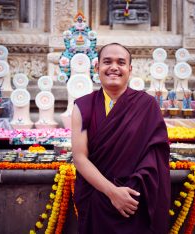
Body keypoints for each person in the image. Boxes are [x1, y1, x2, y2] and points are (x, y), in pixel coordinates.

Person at [72, 43, 170, 234]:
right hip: (97, 198)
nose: (114, 67)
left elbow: (156, 154)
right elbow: (79, 158)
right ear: (97, 67)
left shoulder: (147, 105)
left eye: (121, 62)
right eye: (107, 62)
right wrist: (113, 192)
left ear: (130, 69)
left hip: (135, 200)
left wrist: (132, 189)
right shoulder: (83, 107)